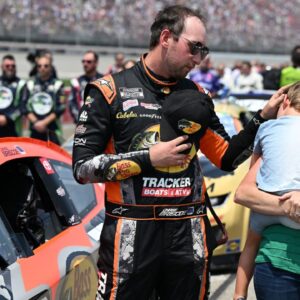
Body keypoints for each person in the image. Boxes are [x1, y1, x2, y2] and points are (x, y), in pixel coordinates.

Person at [72, 5, 283, 300]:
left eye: (204, 51)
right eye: (194, 48)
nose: (198, 59)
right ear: (166, 37)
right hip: (132, 231)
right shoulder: (109, 91)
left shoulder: (197, 95)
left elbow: (226, 158)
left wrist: (261, 117)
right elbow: (82, 168)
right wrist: (148, 159)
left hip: (187, 233)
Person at [233, 81, 300, 300]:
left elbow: (249, 192)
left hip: (273, 259)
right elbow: (244, 193)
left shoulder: (267, 129)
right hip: (277, 261)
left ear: (285, 101)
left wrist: (239, 294)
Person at [22, 55, 66, 145]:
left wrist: (44, 123)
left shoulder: (58, 84)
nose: (42, 68)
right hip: (35, 129)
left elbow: (61, 106)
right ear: (37, 68)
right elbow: (23, 106)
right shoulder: (30, 84)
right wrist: (36, 122)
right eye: (39, 66)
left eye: (46, 66)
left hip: (53, 130)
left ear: (50, 68)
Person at [69, 50, 103, 123]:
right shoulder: (76, 82)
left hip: (100, 124)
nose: (85, 64)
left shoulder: (104, 81)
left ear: (96, 63)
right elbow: (72, 104)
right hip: (81, 124)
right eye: (83, 61)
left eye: (89, 61)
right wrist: (80, 119)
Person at [0, 54, 26, 137]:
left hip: (13, 130)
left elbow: (22, 107)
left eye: (13, 66)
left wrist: (7, 118)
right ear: (2, 66)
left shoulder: (21, 84)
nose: (10, 68)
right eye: (7, 66)